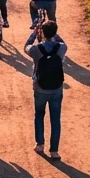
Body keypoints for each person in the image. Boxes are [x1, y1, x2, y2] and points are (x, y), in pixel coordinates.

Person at [26, 20, 67, 159]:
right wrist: (55, 34)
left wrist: (34, 33)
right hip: (56, 88)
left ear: (42, 32)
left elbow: (26, 46)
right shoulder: (61, 48)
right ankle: (54, 151)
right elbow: (63, 42)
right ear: (55, 32)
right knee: (55, 119)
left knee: (39, 114)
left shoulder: (36, 50)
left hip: (40, 88)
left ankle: (40, 144)